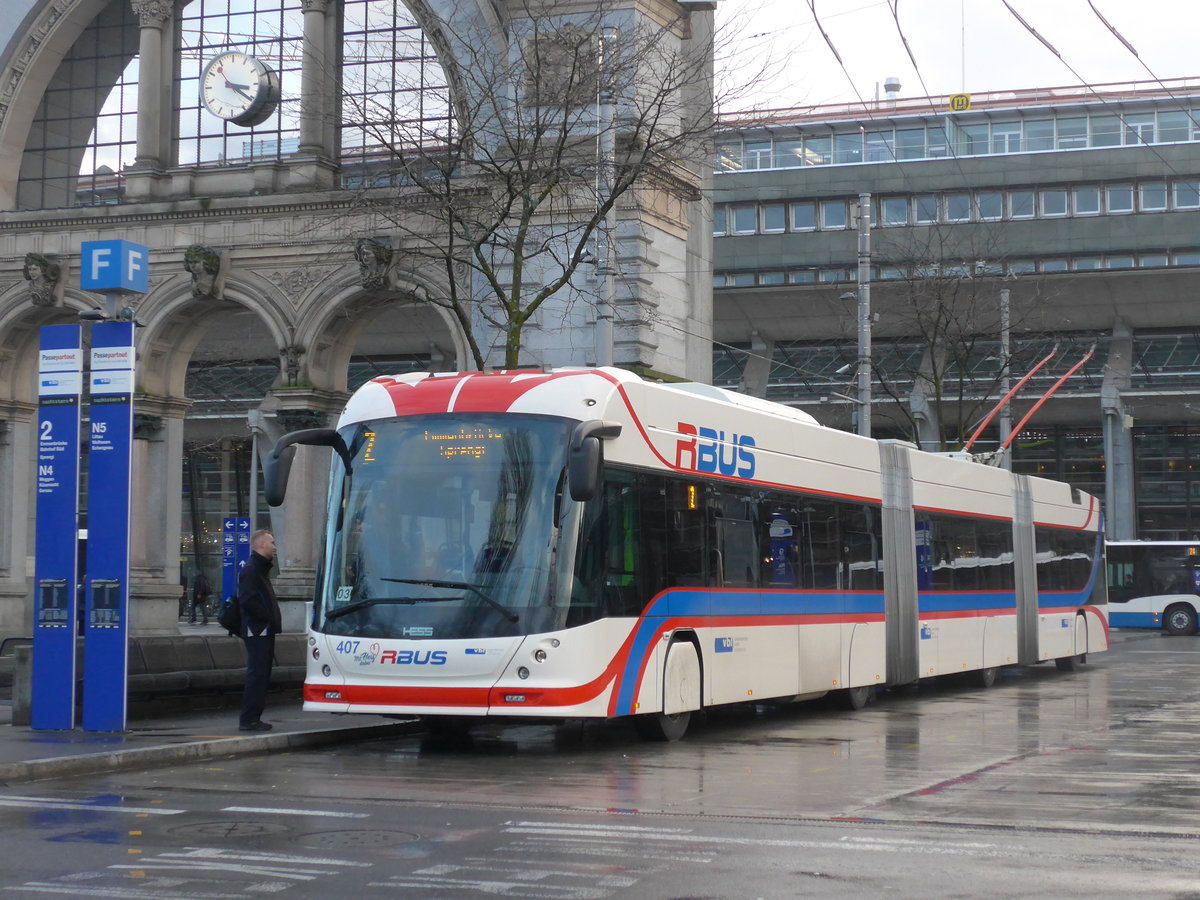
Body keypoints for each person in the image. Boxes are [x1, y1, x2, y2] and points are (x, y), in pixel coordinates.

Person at [237, 530, 282, 732]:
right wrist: (267, 617)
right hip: (257, 629)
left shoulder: (260, 569)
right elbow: (248, 600)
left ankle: (253, 717)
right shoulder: (252, 570)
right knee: (257, 674)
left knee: (262, 674)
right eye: (272, 542)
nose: (275, 546)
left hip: (262, 628)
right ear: (261, 545)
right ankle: (249, 719)